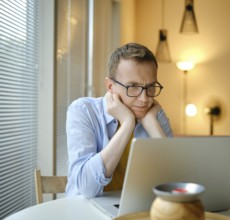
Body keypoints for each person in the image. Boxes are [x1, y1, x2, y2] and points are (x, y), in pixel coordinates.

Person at [65, 43, 173, 198]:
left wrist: (151, 124)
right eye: (133, 87)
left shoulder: (154, 114)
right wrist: (127, 124)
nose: (144, 99)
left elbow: (175, 183)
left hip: (136, 210)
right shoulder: (83, 110)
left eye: (151, 87)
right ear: (110, 86)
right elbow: (87, 188)